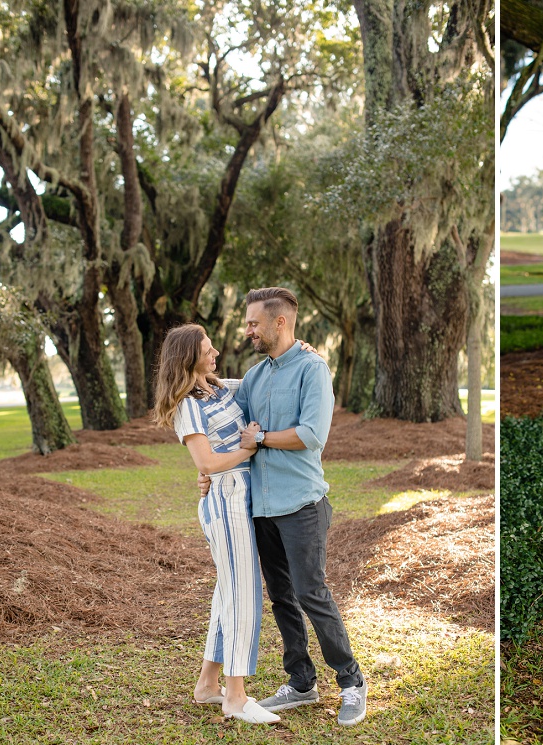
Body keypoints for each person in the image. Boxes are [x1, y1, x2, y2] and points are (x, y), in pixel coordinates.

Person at [200, 287, 368, 726]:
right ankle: (301, 682)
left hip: (302, 503)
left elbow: (312, 434)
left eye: (254, 322)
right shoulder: (255, 377)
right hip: (262, 507)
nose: (248, 330)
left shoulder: (313, 369)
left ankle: (351, 682)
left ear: (281, 322)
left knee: (312, 593)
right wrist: (209, 468)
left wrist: (261, 439)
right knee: (280, 598)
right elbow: (219, 409)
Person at [152, 324, 279, 725]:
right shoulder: (187, 404)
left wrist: (300, 350)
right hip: (223, 501)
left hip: (241, 496)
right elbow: (205, 464)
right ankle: (236, 697)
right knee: (243, 595)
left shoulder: (217, 386)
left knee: (228, 593)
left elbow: (266, 374)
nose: (215, 352)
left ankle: (208, 685)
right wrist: (248, 448)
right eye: (207, 349)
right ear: (188, 358)